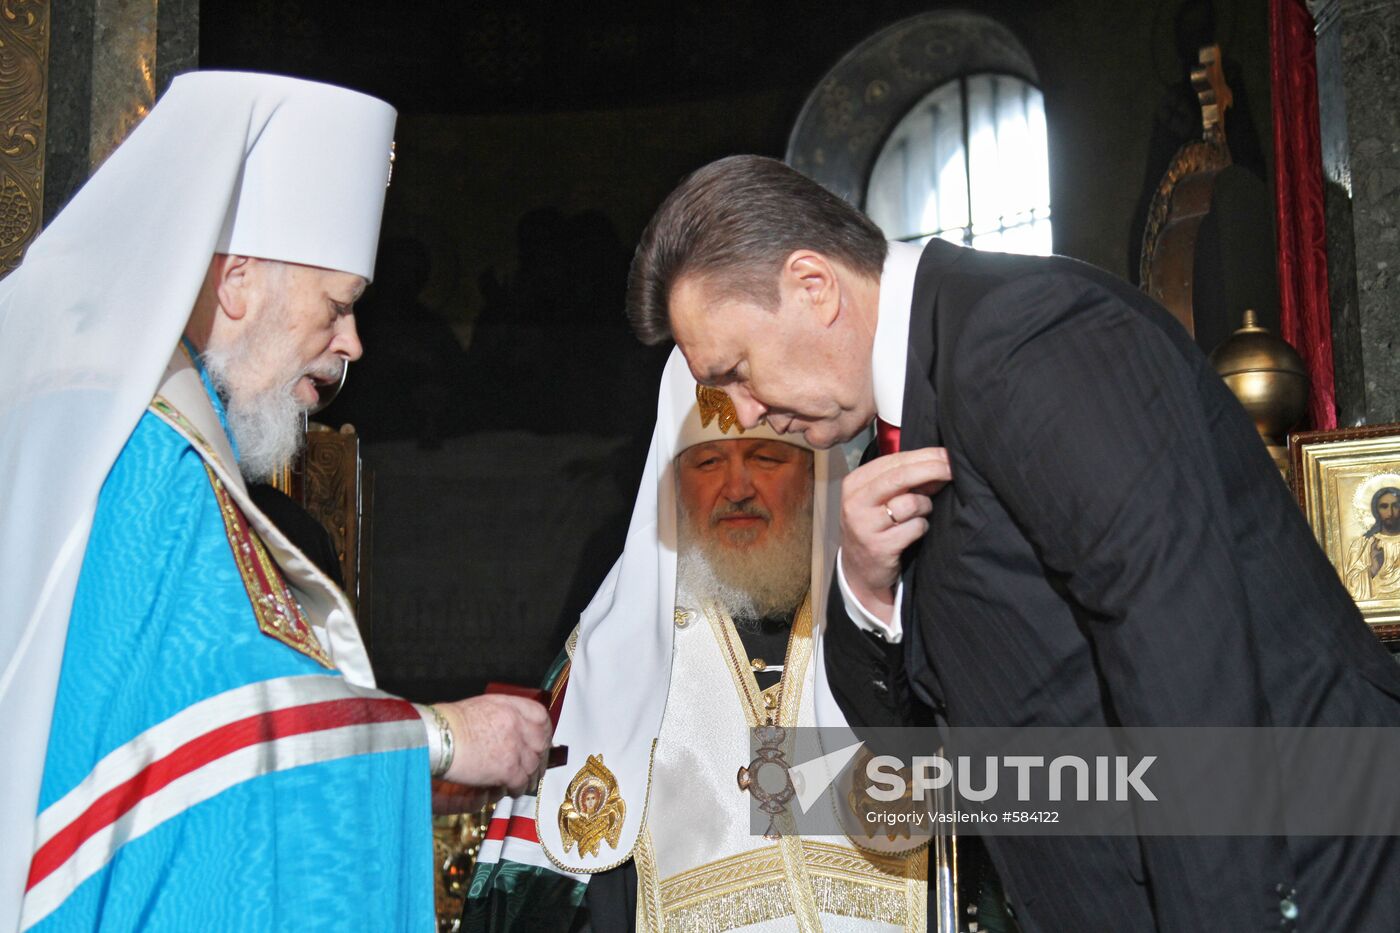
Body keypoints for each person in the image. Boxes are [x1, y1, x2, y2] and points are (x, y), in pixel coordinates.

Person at [621, 154, 1400, 931]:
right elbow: (915, 757)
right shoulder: (908, 408)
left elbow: (1185, 653)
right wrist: (863, 588)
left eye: (739, 372)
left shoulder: (1023, 335)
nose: (747, 413)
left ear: (813, 286)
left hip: (1306, 888)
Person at [0, 72, 550, 932]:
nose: (353, 343)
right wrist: (441, 737)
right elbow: (206, 744)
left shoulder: (134, 428)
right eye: (336, 306)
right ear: (239, 281)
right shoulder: (148, 456)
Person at [462, 351, 933, 932]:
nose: (736, 488)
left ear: (816, 470)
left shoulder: (891, 622)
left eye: (765, 457)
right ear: (673, 482)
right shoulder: (608, 661)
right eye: (707, 461)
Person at [1345, 485, 1400, 600]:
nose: (1390, 512)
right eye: (1384, 507)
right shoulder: (1362, 545)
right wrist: (1373, 568)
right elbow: (1350, 589)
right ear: (1376, 511)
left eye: (1395, 506)